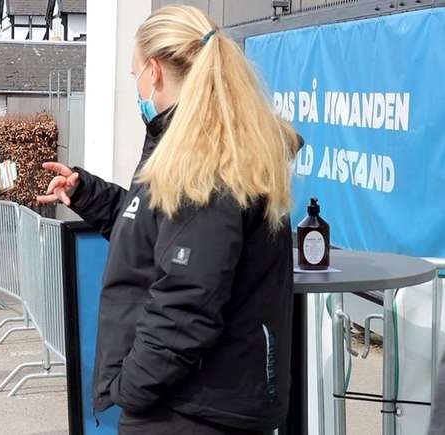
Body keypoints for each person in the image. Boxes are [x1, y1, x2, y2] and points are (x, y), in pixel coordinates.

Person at [38, 6, 299, 434]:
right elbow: (162, 235)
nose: (136, 84)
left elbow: (186, 303)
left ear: (155, 72)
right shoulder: (194, 145)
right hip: (199, 403)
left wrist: (132, 389)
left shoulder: (206, 162)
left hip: (190, 411)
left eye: (135, 73)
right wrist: (88, 195)